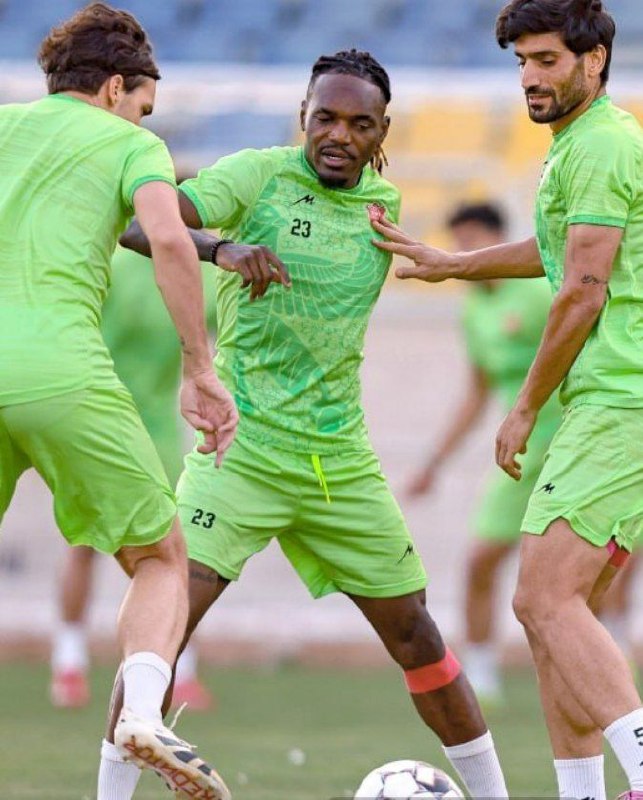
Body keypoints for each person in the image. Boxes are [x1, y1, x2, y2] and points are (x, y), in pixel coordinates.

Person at [114, 48, 510, 800]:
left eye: (359, 124)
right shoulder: (256, 175)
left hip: (339, 465)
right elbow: (141, 227)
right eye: (325, 117)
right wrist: (222, 248)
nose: (338, 135)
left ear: (381, 132)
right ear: (303, 115)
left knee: (418, 635)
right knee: (161, 639)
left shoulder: (384, 206)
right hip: (240, 454)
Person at [371, 2, 643, 799]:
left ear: (593, 61)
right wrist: (456, 265)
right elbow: (558, 252)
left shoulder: (601, 145)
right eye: (521, 61)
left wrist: (523, 405)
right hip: (610, 397)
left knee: (541, 597)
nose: (528, 76)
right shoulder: (579, 146)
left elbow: (582, 288)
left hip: (620, 397)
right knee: (558, 610)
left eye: (546, 60)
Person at [0, 4, 239, 798]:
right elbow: (168, 238)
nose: (144, 119)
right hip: (57, 369)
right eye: (143, 104)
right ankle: (142, 712)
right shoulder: (132, 145)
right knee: (159, 558)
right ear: (113, 88)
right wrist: (199, 367)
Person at [50, 238, 219, 712]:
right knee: (96, 544)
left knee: (167, 550)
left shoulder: (197, 273)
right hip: (107, 421)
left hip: (151, 427)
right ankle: (72, 662)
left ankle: (167, 670)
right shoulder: (115, 266)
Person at [407, 202, 561, 705]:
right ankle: (481, 671)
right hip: (519, 454)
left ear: (498, 238)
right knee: (479, 561)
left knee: (574, 573)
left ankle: (596, 661)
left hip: (568, 441)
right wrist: (433, 464)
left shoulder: (538, 291)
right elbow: (476, 394)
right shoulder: (475, 309)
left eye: (473, 238)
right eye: (458, 240)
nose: (464, 250)